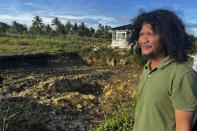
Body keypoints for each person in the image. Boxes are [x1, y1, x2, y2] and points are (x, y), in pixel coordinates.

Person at [130, 9, 197, 131]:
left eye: (150, 34)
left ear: (167, 37)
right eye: (141, 34)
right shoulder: (147, 67)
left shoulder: (182, 74)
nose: (143, 40)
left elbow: (183, 128)